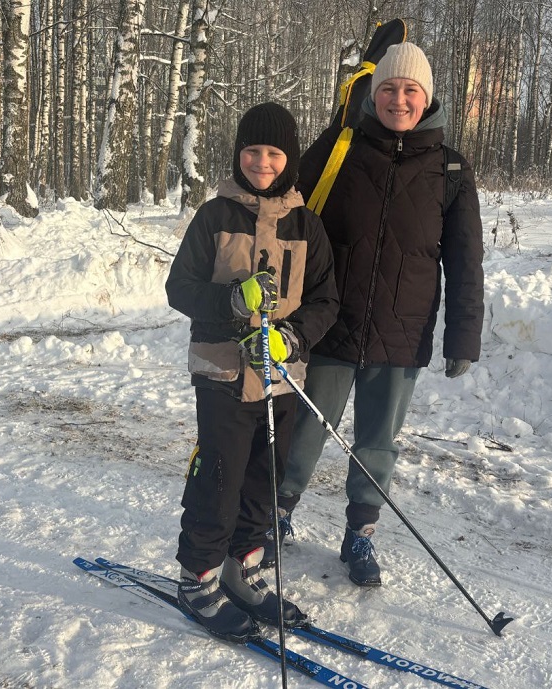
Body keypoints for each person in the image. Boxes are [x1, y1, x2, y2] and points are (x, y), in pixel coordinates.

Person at [265, 42, 485, 587]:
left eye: (411, 90)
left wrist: (464, 336)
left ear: (428, 97)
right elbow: (287, 209)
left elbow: (465, 259)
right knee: (306, 429)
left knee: (377, 443)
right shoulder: (341, 148)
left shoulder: (450, 168)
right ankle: (277, 515)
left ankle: (360, 534)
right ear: (372, 93)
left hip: (400, 332)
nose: (399, 99)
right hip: (330, 324)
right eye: (388, 88)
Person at [165, 102, 338, 641]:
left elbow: (326, 301)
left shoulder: (307, 225)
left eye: (274, 152)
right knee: (221, 474)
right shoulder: (214, 216)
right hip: (221, 373)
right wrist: (232, 302)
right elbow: (180, 288)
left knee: (266, 474)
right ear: (239, 154)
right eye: (252, 151)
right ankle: (199, 576)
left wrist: (292, 338)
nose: (262, 162)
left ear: (289, 159)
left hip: (280, 375)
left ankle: (246, 565)